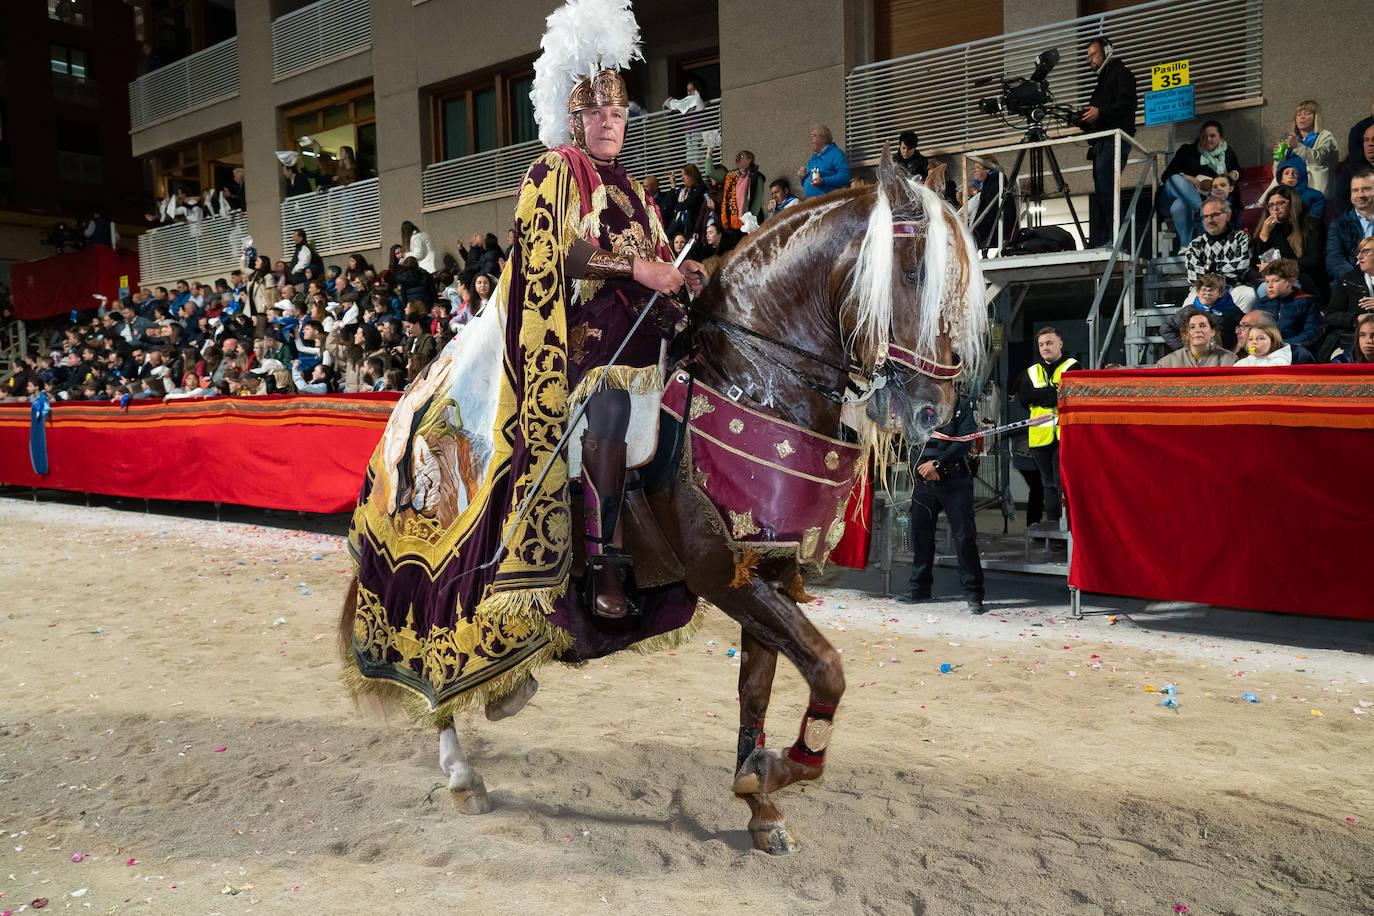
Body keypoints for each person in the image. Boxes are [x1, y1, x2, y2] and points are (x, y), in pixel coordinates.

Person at [906, 391, 984, 614]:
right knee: (920, 538)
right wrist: (922, 468)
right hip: (924, 482)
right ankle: (919, 590)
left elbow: (965, 440)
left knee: (964, 538)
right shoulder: (917, 403)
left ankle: (974, 595)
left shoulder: (962, 402)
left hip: (955, 480)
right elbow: (910, 439)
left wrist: (937, 465)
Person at [1078, 36, 1137, 247]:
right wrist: (1080, 119)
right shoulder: (1102, 81)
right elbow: (1098, 117)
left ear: (1107, 51)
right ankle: (1111, 238)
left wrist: (1099, 112)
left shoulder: (1121, 74)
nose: (1089, 60)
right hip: (1104, 143)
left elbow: (1127, 104)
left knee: (1108, 190)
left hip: (1114, 141)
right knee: (1103, 191)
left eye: (1092, 54)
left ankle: (1116, 239)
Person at [1016, 327, 1076, 528]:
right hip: (1039, 438)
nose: (1045, 348)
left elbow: (1072, 397)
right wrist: (1054, 392)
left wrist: (1041, 396)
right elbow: (1025, 398)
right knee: (1047, 484)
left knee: (1063, 485)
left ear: (1060, 344)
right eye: (1041, 344)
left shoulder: (1073, 367)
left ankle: (1068, 527)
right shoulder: (1031, 371)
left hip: (1065, 437)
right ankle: (1053, 527)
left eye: (1049, 343)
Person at [1158, 120, 1241, 245]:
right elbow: (1166, 176)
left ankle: (1186, 246)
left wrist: (1233, 174)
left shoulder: (1227, 153)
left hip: (1190, 202)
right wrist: (1186, 177)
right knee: (1176, 179)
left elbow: (1237, 169)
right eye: (1204, 136)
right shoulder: (1187, 151)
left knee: (1179, 205)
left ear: (1221, 137)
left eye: (1212, 136)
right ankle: (1204, 210)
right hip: (1169, 196)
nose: (1208, 139)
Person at [1183, 198, 1256, 311]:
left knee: (1248, 295)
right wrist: (1223, 271)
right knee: (1188, 306)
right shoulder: (1196, 244)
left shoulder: (1241, 237)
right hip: (1203, 291)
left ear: (1228, 215)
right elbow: (1193, 276)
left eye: (1214, 215)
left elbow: (1242, 266)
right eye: (1205, 216)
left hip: (1233, 288)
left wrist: (1209, 268)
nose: (1209, 220)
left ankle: (1238, 328)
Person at [1252, 186, 1325, 292]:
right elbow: (1258, 264)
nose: (1275, 208)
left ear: (1292, 203)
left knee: (1265, 289)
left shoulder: (1310, 225)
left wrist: (1277, 267)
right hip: (1274, 279)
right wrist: (1264, 235)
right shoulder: (1270, 229)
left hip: (1305, 279)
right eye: (1271, 205)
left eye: (1281, 203)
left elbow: (1312, 261)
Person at [1253, 258, 1323, 362]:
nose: (1270, 286)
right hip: (1262, 351)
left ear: (1291, 281)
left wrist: (1281, 345)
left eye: (1275, 281)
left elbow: (1311, 333)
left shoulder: (1307, 302)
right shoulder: (1261, 304)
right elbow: (1250, 331)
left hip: (1293, 351)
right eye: (1267, 281)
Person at [1320, 236, 1374, 360]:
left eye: (1365, 251)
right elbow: (1331, 315)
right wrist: (1356, 318)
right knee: (1338, 361)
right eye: (1359, 252)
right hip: (1351, 340)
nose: (1359, 257)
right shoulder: (1349, 280)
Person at [1271, 99, 1338, 196]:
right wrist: (1278, 159)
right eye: (1298, 115)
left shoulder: (1325, 136)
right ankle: (1263, 202)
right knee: (1286, 172)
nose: (1302, 117)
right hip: (1291, 185)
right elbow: (1277, 174)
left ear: (1316, 117)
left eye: (1307, 114)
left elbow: (1319, 159)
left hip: (1313, 184)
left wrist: (1297, 147)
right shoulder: (1291, 139)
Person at [1327, 170, 1374, 286]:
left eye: (1366, 189)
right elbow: (1334, 260)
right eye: (1355, 190)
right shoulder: (1339, 225)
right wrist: (1358, 280)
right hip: (1350, 284)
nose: (1360, 195)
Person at [1156, 307, 1237, 368]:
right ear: (1186, 334)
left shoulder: (1229, 360)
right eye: (1192, 327)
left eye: (1203, 326)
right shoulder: (1167, 363)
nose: (1198, 330)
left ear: (1212, 331)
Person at [967, 154, 1016, 254]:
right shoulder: (990, 183)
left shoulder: (996, 179)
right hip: (994, 235)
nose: (974, 171)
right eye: (973, 168)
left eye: (977, 167)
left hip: (997, 235)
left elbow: (990, 210)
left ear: (988, 169)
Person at [797, 124, 849, 200]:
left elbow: (844, 176)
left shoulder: (836, 154)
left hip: (829, 201)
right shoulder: (813, 159)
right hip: (813, 204)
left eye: (814, 136)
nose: (810, 140)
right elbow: (807, 183)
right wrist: (803, 177)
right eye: (810, 137)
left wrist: (824, 181)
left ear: (824, 138)